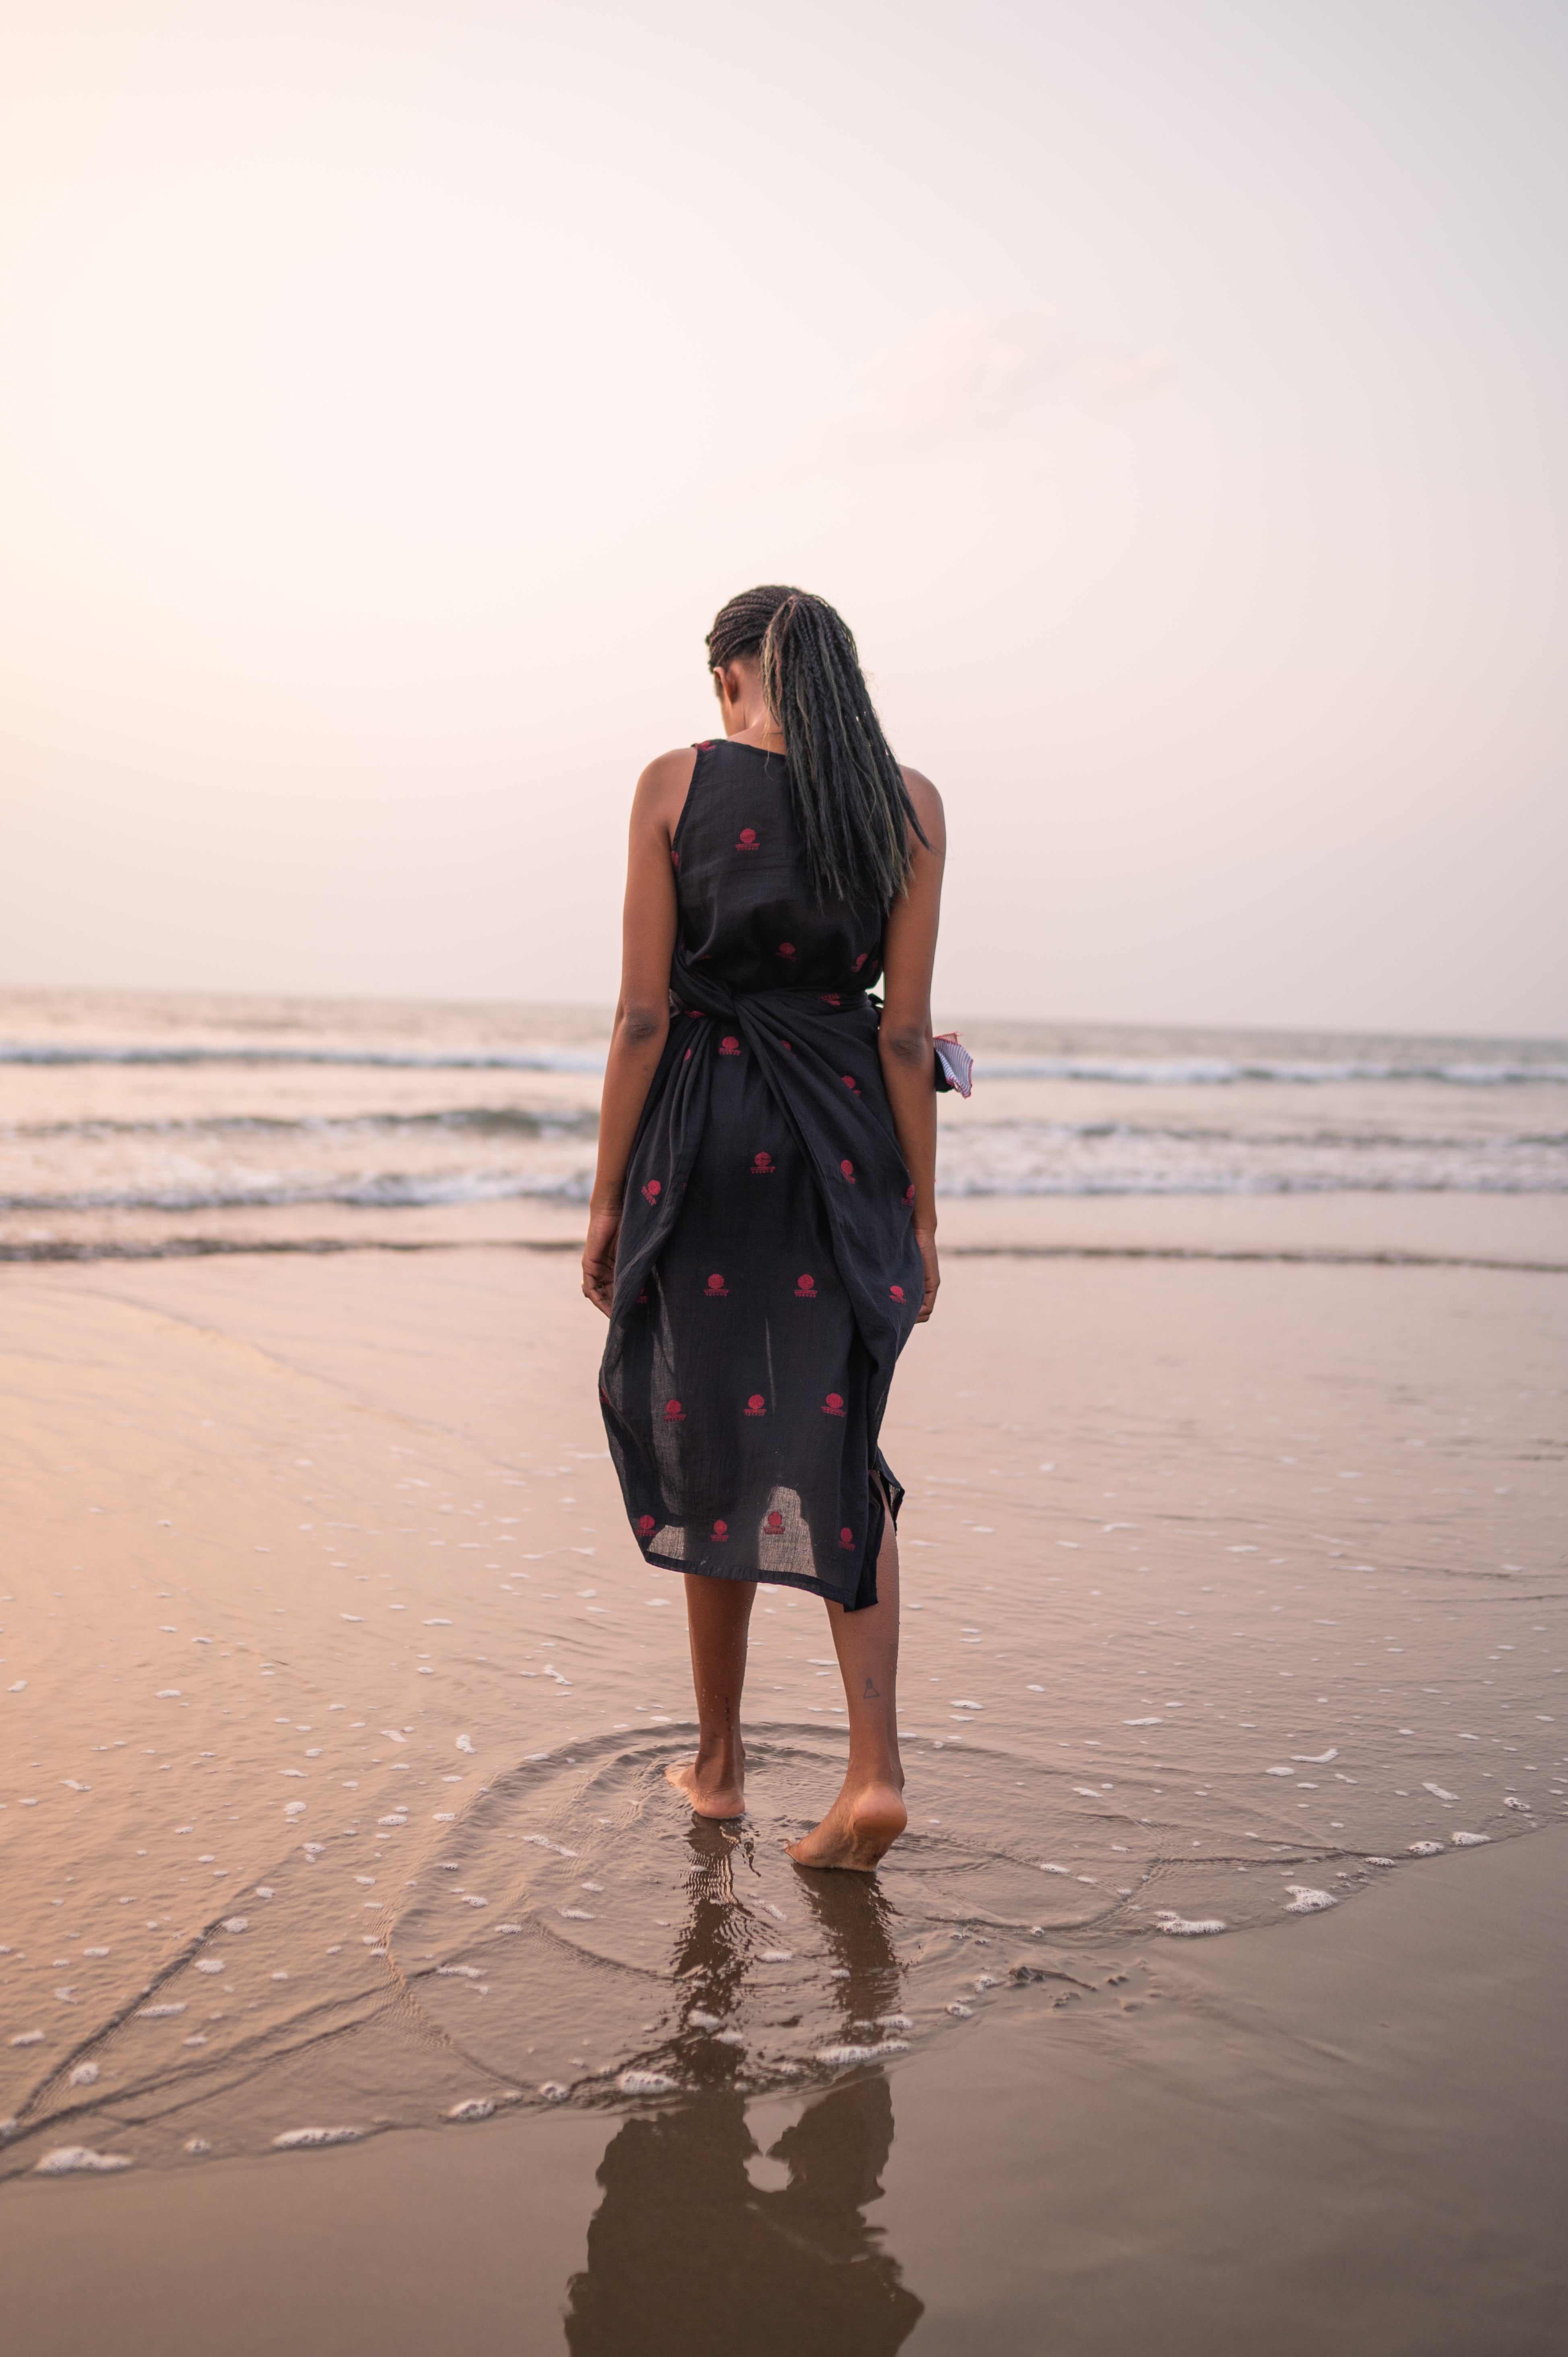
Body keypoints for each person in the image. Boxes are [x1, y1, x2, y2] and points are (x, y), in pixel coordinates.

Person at [582, 585, 945, 1870]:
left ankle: (722, 1764)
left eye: (720, 686)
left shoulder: (676, 785)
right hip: (844, 1138)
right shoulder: (907, 806)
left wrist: (605, 1197)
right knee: (842, 1444)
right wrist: (925, 1211)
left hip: (708, 1134)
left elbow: (639, 1018)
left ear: (737, 674)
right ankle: (874, 1774)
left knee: (708, 1428)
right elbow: (905, 1035)